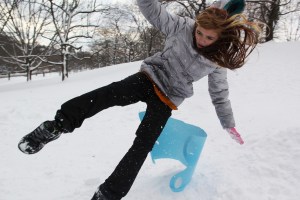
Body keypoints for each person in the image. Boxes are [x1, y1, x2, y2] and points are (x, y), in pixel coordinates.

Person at [18, 0, 261, 199]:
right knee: (105, 95)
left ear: (219, 38)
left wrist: (228, 123)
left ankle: (108, 194)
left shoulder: (217, 60)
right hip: (148, 78)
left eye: (209, 37)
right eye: (200, 33)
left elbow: (219, 95)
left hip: (167, 99)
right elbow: (154, 12)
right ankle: (56, 126)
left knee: (143, 144)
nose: (201, 39)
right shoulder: (181, 27)